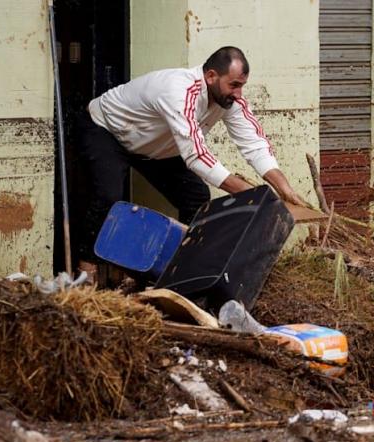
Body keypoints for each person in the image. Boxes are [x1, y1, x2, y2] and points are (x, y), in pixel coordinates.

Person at [76, 46, 305, 281]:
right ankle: (85, 273)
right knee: (108, 196)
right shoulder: (179, 90)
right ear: (211, 76)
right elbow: (196, 155)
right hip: (106, 130)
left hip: (154, 145)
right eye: (234, 85)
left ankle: (180, 271)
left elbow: (254, 143)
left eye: (242, 85)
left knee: (196, 198)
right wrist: (257, 196)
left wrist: (283, 188)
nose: (238, 93)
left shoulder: (230, 100)